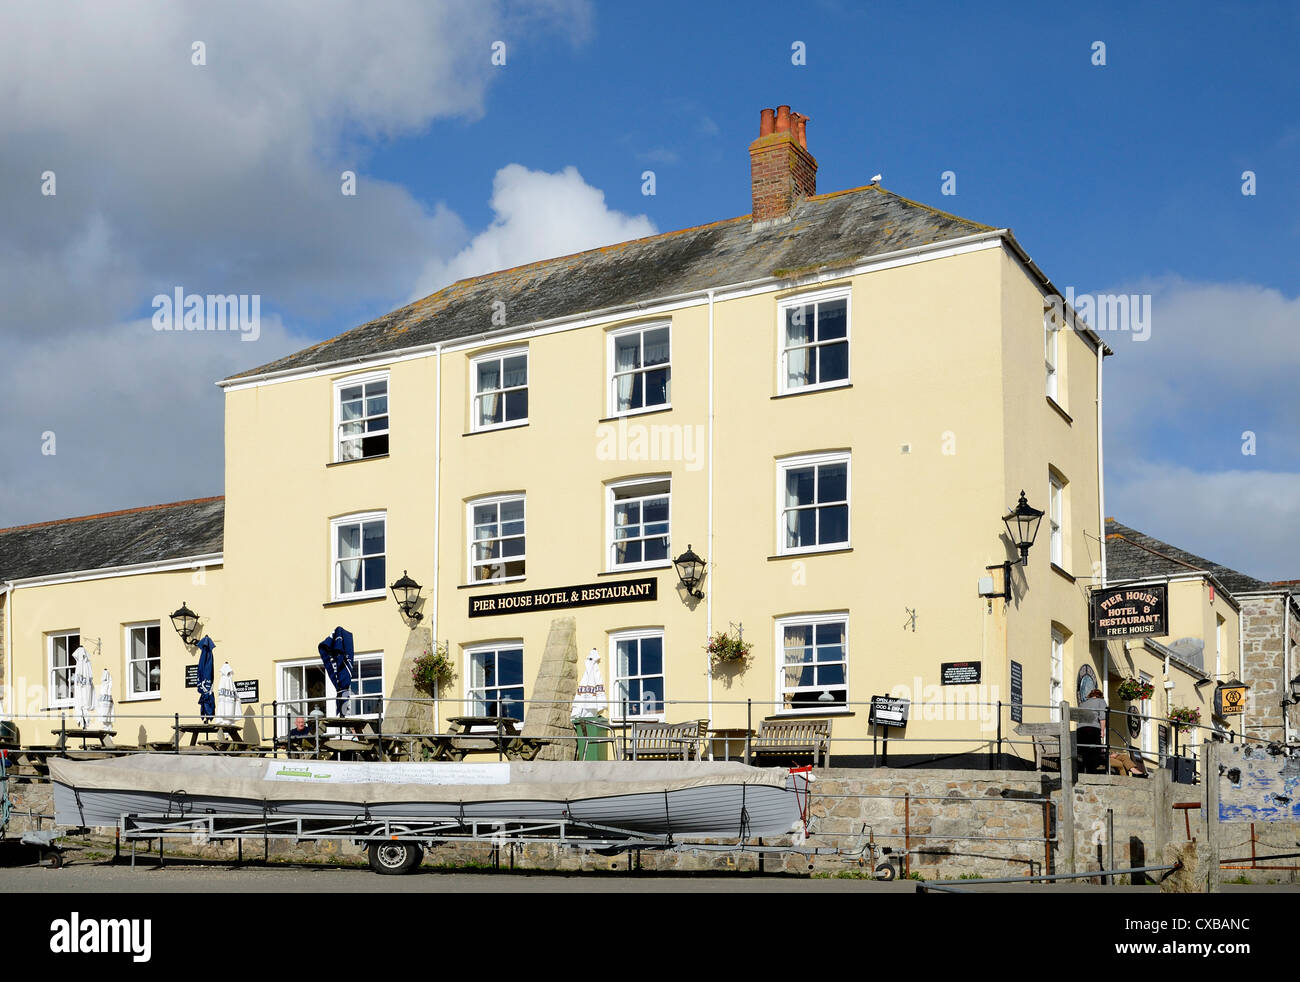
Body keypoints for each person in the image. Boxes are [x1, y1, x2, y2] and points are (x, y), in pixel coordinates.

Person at [1078, 688, 1110, 774]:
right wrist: (1102, 731)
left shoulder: (1082, 704)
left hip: (1081, 729)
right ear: (1100, 696)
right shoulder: (1101, 701)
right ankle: (1092, 772)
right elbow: (1102, 718)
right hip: (1093, 728)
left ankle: (1084, 772)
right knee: (1095, 751)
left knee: (1084, 751)